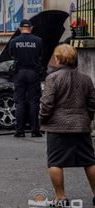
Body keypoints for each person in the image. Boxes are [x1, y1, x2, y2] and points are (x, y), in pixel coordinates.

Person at [39, 44, 95, 206]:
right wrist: (86, 119)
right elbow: (92, 104)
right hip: (81, 125)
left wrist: (43, 120)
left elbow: (47, 104)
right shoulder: (86, 78)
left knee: (55, 162)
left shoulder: (52, 78)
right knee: (90, 161)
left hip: (57, 127)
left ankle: (61, 198)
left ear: (57, 59)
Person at [9, 19, 43, 137]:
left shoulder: (14, 41)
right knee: (34, 102)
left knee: (19, 102)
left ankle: (20, 131)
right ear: (31, 28)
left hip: (19, 73)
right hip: (33, 73)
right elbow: (40, 55)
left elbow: (12, 55)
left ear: (20, 28)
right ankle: (35, 131)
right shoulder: (38, 41)